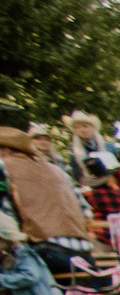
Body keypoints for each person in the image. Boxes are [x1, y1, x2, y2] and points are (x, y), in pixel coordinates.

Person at [0, 108, 97, 266]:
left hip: (45, 251)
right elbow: (86, 211)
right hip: (84, 253)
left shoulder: (4, 167)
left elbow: (5, 213)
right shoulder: (58, 170)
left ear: (5, 150)